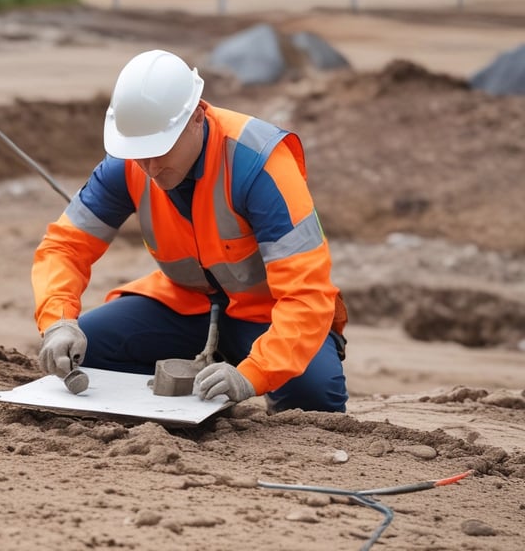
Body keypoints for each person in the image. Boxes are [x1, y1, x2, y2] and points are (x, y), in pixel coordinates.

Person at [32, 49, 349, 412]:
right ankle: (190, 387)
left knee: (314, 396)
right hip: (184, 305)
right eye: (138, 152)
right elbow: (64, 247)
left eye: (158, 149)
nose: (148, 168)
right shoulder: (126, 164)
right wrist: (58, 322)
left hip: (269, 315)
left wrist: (253, 374)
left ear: (197, 116)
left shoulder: (260, 165)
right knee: (84, 350)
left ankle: (237, 372)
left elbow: (307, 294)